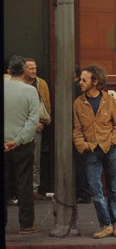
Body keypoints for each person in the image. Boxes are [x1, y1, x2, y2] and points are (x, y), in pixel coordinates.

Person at [73, 65, 116, 238]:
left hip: (110, 149)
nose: (80, 82)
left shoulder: (109, 100)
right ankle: (106, 225)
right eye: (80, 79)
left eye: (84, 80)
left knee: (113, 188)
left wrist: (114, 142)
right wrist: (84, 146)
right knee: (95, 189)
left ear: (95, 82)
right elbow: (77, 130)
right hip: (91, 151)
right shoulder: (78, 103)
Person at [4, 55, 40, 234]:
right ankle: (26, 224)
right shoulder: (30, 91)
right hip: (22, 145)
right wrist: (17, 141)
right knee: (24, 184)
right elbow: (33, 120)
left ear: (9, 71)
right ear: (23, 71)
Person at [22, 58, 51, 200]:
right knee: (20, 158)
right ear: (23, 69)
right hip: (19, 127)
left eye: (35, 68)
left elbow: (46, 106)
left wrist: (44, 122)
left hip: (37, 127)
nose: (34, 71)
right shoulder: (17, 83)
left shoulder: (41, 84)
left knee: (35, 159)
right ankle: (18, 190)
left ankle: (34, 188)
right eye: (31, 68)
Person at [73, 64, 91, 204]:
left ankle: (84, 193)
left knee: (81, 163)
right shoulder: (80, 87)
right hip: (84, 130)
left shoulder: (76, 88)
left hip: (79, 130)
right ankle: (85, 192)